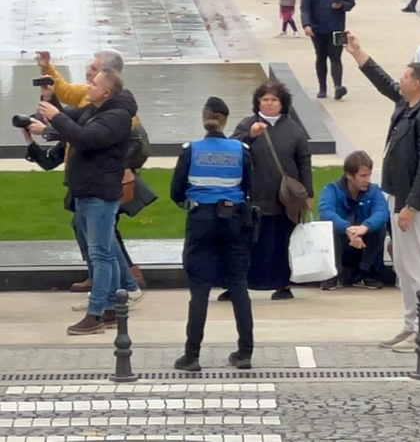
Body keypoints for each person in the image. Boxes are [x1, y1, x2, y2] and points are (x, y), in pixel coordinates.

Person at [346, 33, 420, 351]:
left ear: (417, 83)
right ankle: (410, 324)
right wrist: (358, 53)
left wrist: (411, 206)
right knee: (403, 266)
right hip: (399, 194)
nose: (400, 80)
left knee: (418, 266)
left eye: (405, 76)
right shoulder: (409, 104)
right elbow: (385, 84)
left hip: (415, 201)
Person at [23, 69, 136, 335]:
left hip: (100, 194)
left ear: (106, 92)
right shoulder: (96, 110)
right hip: (87, 192)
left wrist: (54, 117)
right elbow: (69, 122)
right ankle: (111, 308)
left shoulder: (117, 116)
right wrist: (49, 101)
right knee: (104, 253)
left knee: (100, 255)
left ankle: (95, 314)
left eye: (93, 83)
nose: (88, 86)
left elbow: (85, 138)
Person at [32, 49, 146, 295]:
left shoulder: (116, 113)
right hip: (89, 181)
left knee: (102, 246)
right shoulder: (94, 102)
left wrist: (117, 167)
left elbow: (86, 137)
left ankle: (108, 297)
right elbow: (65, 102)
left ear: (107, 79)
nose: (88, 75)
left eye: (93, 71)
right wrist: (48, 79)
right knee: (100, 240)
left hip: (103, 184)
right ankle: (123, 287)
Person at [171, 97, 254, 372]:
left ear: (204, 117)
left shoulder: (191, 150)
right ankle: (245, 353)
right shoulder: (241, 150)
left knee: (199, 290)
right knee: (238, 286)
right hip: (233, 221)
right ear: (225, 121)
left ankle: (191, 355)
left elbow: (176, 192)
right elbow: (249, 189)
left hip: (201, 220)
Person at [226, 80, 313, 302]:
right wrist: (249, 135)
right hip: (253, 196)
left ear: (282, 103)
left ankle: (282, 284)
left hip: (283, 198)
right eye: (265, 99)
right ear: (258, 102)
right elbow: (231, 150)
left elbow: (304, 162)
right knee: (246, 243)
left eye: (274, 99)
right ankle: (237, 285)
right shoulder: (247, 124)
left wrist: (308, 194)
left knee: (280, 242)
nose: (269, 103)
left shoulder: (294, 130)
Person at [318, 151, 389, 290]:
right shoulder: (331, 190)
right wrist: (347, 229)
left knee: (379, 227)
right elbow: (326, 212)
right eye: (363, 176)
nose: (367, 180)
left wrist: (365, 227)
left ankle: (365, 273)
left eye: (369, 175)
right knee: (329, 227)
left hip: (364, 241)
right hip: (342, 240)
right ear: (349, 175)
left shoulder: (374, 191)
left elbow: (382, 212)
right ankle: (335, 274)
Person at [301, 0, 355, 100]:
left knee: (336, 57)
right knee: (321, 57)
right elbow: (305, 8)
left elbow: (351, 2)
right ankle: (322, 88)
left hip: (338, 29)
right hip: (318, 29)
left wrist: (342, 5)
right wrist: (306, 24)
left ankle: (338, 86)